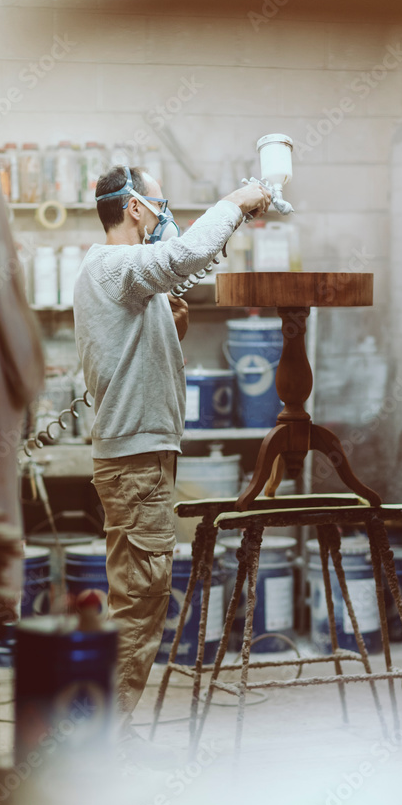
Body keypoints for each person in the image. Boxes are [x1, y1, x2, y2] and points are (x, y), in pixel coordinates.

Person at [73, 164, 271, 735]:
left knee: (138, 599)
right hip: (135, 464)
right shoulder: (115, 266)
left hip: (139, 458)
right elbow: (181, 258)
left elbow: (128, 354)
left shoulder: (123, 278)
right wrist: (236, 200)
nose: (165, 216)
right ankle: (100, 737)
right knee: (139, 603)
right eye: (159, 205)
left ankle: (102, 726)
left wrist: (172, 330)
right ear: (134, 207)